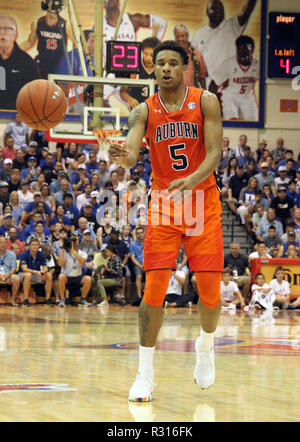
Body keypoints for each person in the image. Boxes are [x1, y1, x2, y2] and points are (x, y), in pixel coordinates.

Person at [108, 40, 223, 400]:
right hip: (165, 204)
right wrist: (123, 156)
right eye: (161, 63)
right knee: (153, 291)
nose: (167, 69)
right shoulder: (143, 110)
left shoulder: (205, 101)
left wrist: (193, 178)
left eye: (174, 63)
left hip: (202, 202)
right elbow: (129, 154)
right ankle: (145, 375)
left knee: (209, 293)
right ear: (152, 69)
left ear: (186, 67)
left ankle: (205, 345)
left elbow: (217, 151)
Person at [191, 0, 257, 86]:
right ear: (207, 12)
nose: (218, 11)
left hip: (227, 87)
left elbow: (246, 12)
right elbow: (193, 60)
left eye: (220, 9)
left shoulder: (232, 26)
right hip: (204, 86)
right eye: (214, 8)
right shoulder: (199, 33)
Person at [20, 0, 73, 79]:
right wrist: (15, 50)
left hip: (58, 63)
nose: (53, 11)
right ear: (45, 5)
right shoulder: (37, 23)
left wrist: (71, 60)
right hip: (42, 62)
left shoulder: (66, 25)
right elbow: (30, 42)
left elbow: (76, 44)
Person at [210, 35, 258, 121]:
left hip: (248, 98)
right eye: (240, 50)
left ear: (252, 50)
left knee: (253, 122)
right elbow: (213, 83)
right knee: (232, 120)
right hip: (230, 97)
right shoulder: (229, 63)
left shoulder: (258, 64)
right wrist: (214, 104)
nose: (243, 53)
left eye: (246, 51)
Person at [0, 13, 38, 110]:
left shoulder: (27, 62)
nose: (2, 32)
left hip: (17, 119)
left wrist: (25, 112)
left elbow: (36, 94)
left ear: (15, 35)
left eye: (7, 29)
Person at [120, 37, 160, 110]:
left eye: (151, 55)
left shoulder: (161, 69)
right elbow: (123, 92)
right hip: (137, 111)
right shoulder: (135, 68)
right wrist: (129, 99)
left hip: (155, 112)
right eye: (145, 54)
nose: (148, 58)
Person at [57, 233, 92, 307]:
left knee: (88, 279)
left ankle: (83, 299)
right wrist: (63, 249)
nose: (73, 241)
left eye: (75, 239)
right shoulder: (64, 253)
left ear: (79, 241)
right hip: (67, 277)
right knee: (61, 277)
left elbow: (83, 262)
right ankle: (62, 300)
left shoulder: (82, 253)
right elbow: (60, 264)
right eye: (72, 239)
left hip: (78, 277)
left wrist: (73, 251)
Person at [20, 238, 53, 306]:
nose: (35, 246)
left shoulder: (41, 254)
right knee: (28, 275)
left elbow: (45, 268)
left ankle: (47, 299)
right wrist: (36, 271)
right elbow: (24, 269)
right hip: (22, 274)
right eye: (33, 245)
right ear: (29, 246)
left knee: (49, 275)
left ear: (39, 246)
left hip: (35, 274)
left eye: (37, 245)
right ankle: (26, 299)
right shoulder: (24, 254)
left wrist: (43, 272)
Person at [173, 24, 207, 89]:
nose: (180, 39)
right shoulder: (170, 54)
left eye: (182, 36)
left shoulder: (196, 54)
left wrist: (204, 95)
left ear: (187, 36)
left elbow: (202, 77)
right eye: (177, 36)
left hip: (192, 94)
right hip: (174, 95)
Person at [0, 236, 21, 306]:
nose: (3, 244)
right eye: (1, 243)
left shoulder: (12, 254)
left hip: (8, 275)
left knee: (16, 278)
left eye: (4, 243)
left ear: (7, 244)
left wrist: (8, 275)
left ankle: (13, 299)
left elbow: (13, 269)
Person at [130, 226, 145, 304]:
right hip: (138, 264)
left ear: (144, 233)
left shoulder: (148, 242)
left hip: (148, 263)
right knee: (138, 276)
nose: (140, 235)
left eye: (141, 233)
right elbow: (132, 258)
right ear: (136, 234)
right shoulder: (133, 244)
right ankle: (139, 297)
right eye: (138, 233)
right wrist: (140, 265)